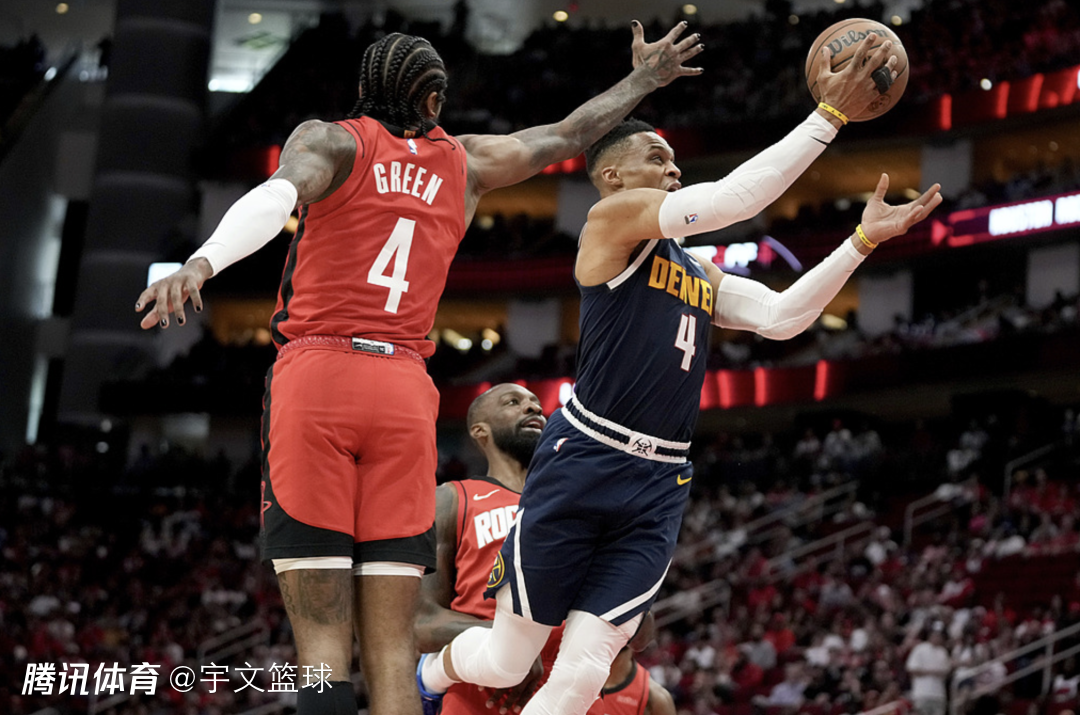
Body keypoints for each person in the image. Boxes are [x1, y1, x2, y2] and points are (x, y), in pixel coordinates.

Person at [133, 24, 705, 715]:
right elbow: (567, 134)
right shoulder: (466, 161)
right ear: (435, 100)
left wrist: (202, 263)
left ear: (364, 90)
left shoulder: (332, 141)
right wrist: (643, 80)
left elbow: (276, 197)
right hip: (404, 389)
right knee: (391, 647)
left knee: (323, 644)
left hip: (318, 374)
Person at [419, 31, 942, 715]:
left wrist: (861, 241)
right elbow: (731, 201)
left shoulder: (696, 270)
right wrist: (829, 116)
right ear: (612, 175)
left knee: (583, 670)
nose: (673, 168)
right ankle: (431, 673)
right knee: (508, 658)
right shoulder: (609, 222)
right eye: (656, 157)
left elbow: (782, 316)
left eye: (673, 159)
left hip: (659, 481)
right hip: (586, 456)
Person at [415, 383, 672, 715]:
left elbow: (641, 635)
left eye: (536, 404)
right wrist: (509, 644)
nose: (533, 408)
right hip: (479, 691)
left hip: (570, 692)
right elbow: (422, 622)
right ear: (480, 431)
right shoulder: (453, 498)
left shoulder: (583, 504)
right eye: (513, 402)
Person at [906, 626, 951, 715]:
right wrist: (932, 672)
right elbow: (912, 669)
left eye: (939, 636)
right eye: (935, 635)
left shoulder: (943, 652)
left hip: (938, 694)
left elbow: (946, 671)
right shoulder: (920, 648)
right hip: (922, 693)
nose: (937, 638)